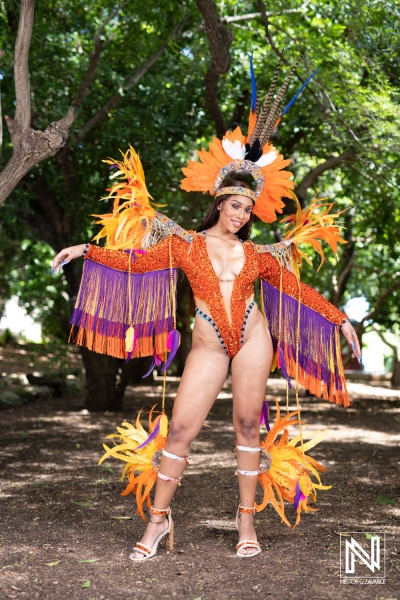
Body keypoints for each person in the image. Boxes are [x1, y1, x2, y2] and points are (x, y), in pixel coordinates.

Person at [52, 61, 361, 560]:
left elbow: (299, 292)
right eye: (234, 206)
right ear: (219, 202)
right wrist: (86, 250)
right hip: (208, 345)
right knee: (180, 429)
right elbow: (136, 262)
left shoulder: (261, 255)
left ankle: (246, 524)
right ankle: (157, 522)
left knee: (245, 426)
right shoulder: (186, 245)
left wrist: (340, 318)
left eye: (248, 210)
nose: (240, 215)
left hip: (253, 341)